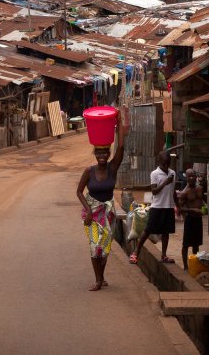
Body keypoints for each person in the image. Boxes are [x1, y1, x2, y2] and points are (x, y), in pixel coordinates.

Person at [76, 109, 126, 291]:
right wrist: (88, 210)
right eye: (99, 153)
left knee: (105, 248)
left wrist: (119, 122)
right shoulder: (89, 172)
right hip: (92, 213)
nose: (102, 156)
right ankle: (97, 280)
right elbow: (79, 192)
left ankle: (102, 276)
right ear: (95, 154)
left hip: (108, 212)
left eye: (105, 152)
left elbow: (120, 147)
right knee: (94, 245)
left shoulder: (113, 168)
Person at [130, 151, 177, 264]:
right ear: (159, 162)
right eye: (163, 164)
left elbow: (173, 191)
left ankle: (164, 255)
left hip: (169, 207)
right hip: (157, 207)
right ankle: (135, 252)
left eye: (167, 164)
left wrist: (177, 205)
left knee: (166, 232)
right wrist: (165, 182)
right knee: (148, 230)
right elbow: (154, 191)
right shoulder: (154, 174)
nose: (165, 166)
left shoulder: (173, 173)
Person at [178, 168, 204, 270]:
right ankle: (185, 266)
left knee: (196, 244)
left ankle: (195, 264)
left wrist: (204, 207)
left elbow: (201, 201)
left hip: (198, 219)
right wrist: (192, 210)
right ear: (187, 178)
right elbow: (180, 209)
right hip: (190, 219)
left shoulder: (200, 188)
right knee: (186, 244)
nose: (192, 178)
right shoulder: (185, 192)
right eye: (190, 176)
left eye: (194, 175)